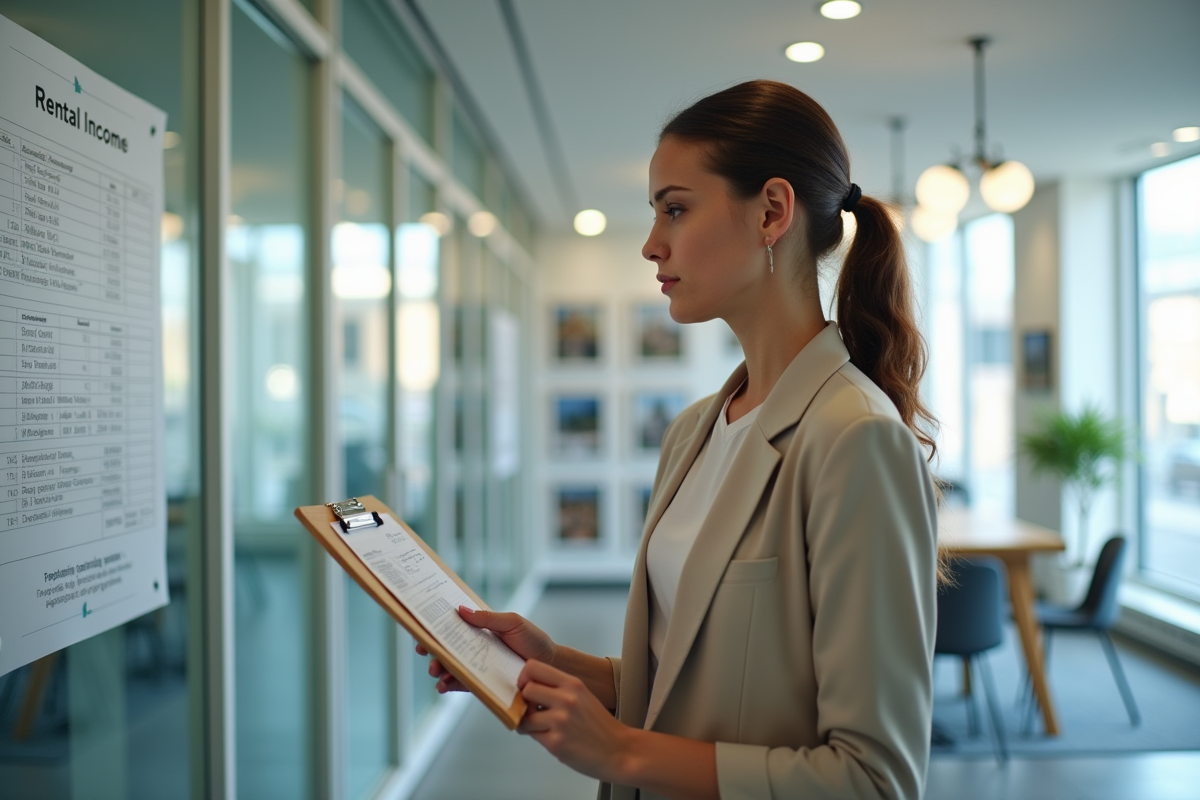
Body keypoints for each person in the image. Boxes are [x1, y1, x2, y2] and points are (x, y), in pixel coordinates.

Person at [417, 79, 939, 800]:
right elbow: (691, 681)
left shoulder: (856, 439)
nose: (651, 243)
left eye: (676, 209)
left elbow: (873, 778)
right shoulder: (695, 429)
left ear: (772, 212)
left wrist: (624, 753)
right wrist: (556, 663)